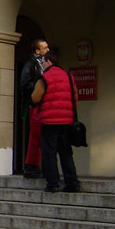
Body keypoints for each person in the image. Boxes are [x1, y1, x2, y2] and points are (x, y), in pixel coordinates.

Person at [31, 51, 81, 193]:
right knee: (65, 152)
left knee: (49, 153)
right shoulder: (69, 76)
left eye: (43, 62)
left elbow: (36, 97)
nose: (43, 64)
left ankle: (53, 183)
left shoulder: (44, 78)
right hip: (67, 120)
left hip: (49, 121)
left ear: (48, 62)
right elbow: (75, 96)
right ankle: (72, 182)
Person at [20, 38, 49, 178]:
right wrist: (39, 88)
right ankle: (31, 165)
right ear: (37, 51)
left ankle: (41, 165)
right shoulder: (32, 64)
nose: (47, 49)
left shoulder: (43, 64)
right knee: (35, 136)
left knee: (42, 135)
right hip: (36, 104)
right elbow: (25, 83)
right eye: (45, 48)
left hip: (44, 104)